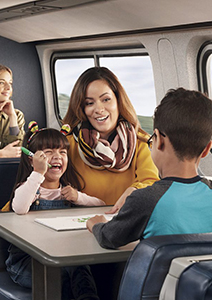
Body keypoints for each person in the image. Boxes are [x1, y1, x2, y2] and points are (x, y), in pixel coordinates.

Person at [85, 88, 212, 249]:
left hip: (156, 275)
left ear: (158, 139)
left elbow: (109, 237)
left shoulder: (146, 199)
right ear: (207, 149)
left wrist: (97, 225)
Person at [6, 123, 105, 300]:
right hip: (27, 262)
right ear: (32, 159)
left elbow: (100, 206)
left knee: (81, 268)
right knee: (56, 279)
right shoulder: (31, 189)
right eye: (48, 152)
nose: (57, 157)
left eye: (62, 152)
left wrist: (79, 197)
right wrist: (38, 173)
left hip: (63, 257)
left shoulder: (69, 190)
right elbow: (19, 206)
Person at [62, 66, 160, 212]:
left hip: (126, 221)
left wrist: (133, 190)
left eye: (106, 99)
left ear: (118, 101)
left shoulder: (141, 143)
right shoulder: (67, 144)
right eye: (89, 103)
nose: (99, 109)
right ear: (81, 108)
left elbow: (150, 183)